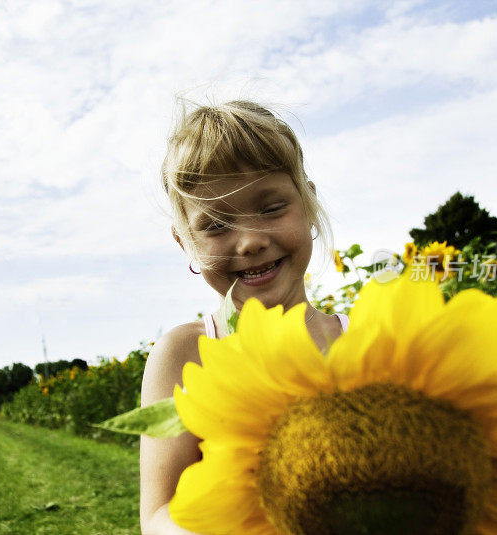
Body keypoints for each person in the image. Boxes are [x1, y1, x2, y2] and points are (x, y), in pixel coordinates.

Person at [139, 100, 349, 534]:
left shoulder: (366, 340)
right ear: (185, 243)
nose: (251, 241)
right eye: (215, 224)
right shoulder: (186, 353)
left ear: (308, 203)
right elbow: (158, 519)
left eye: (272, 208)